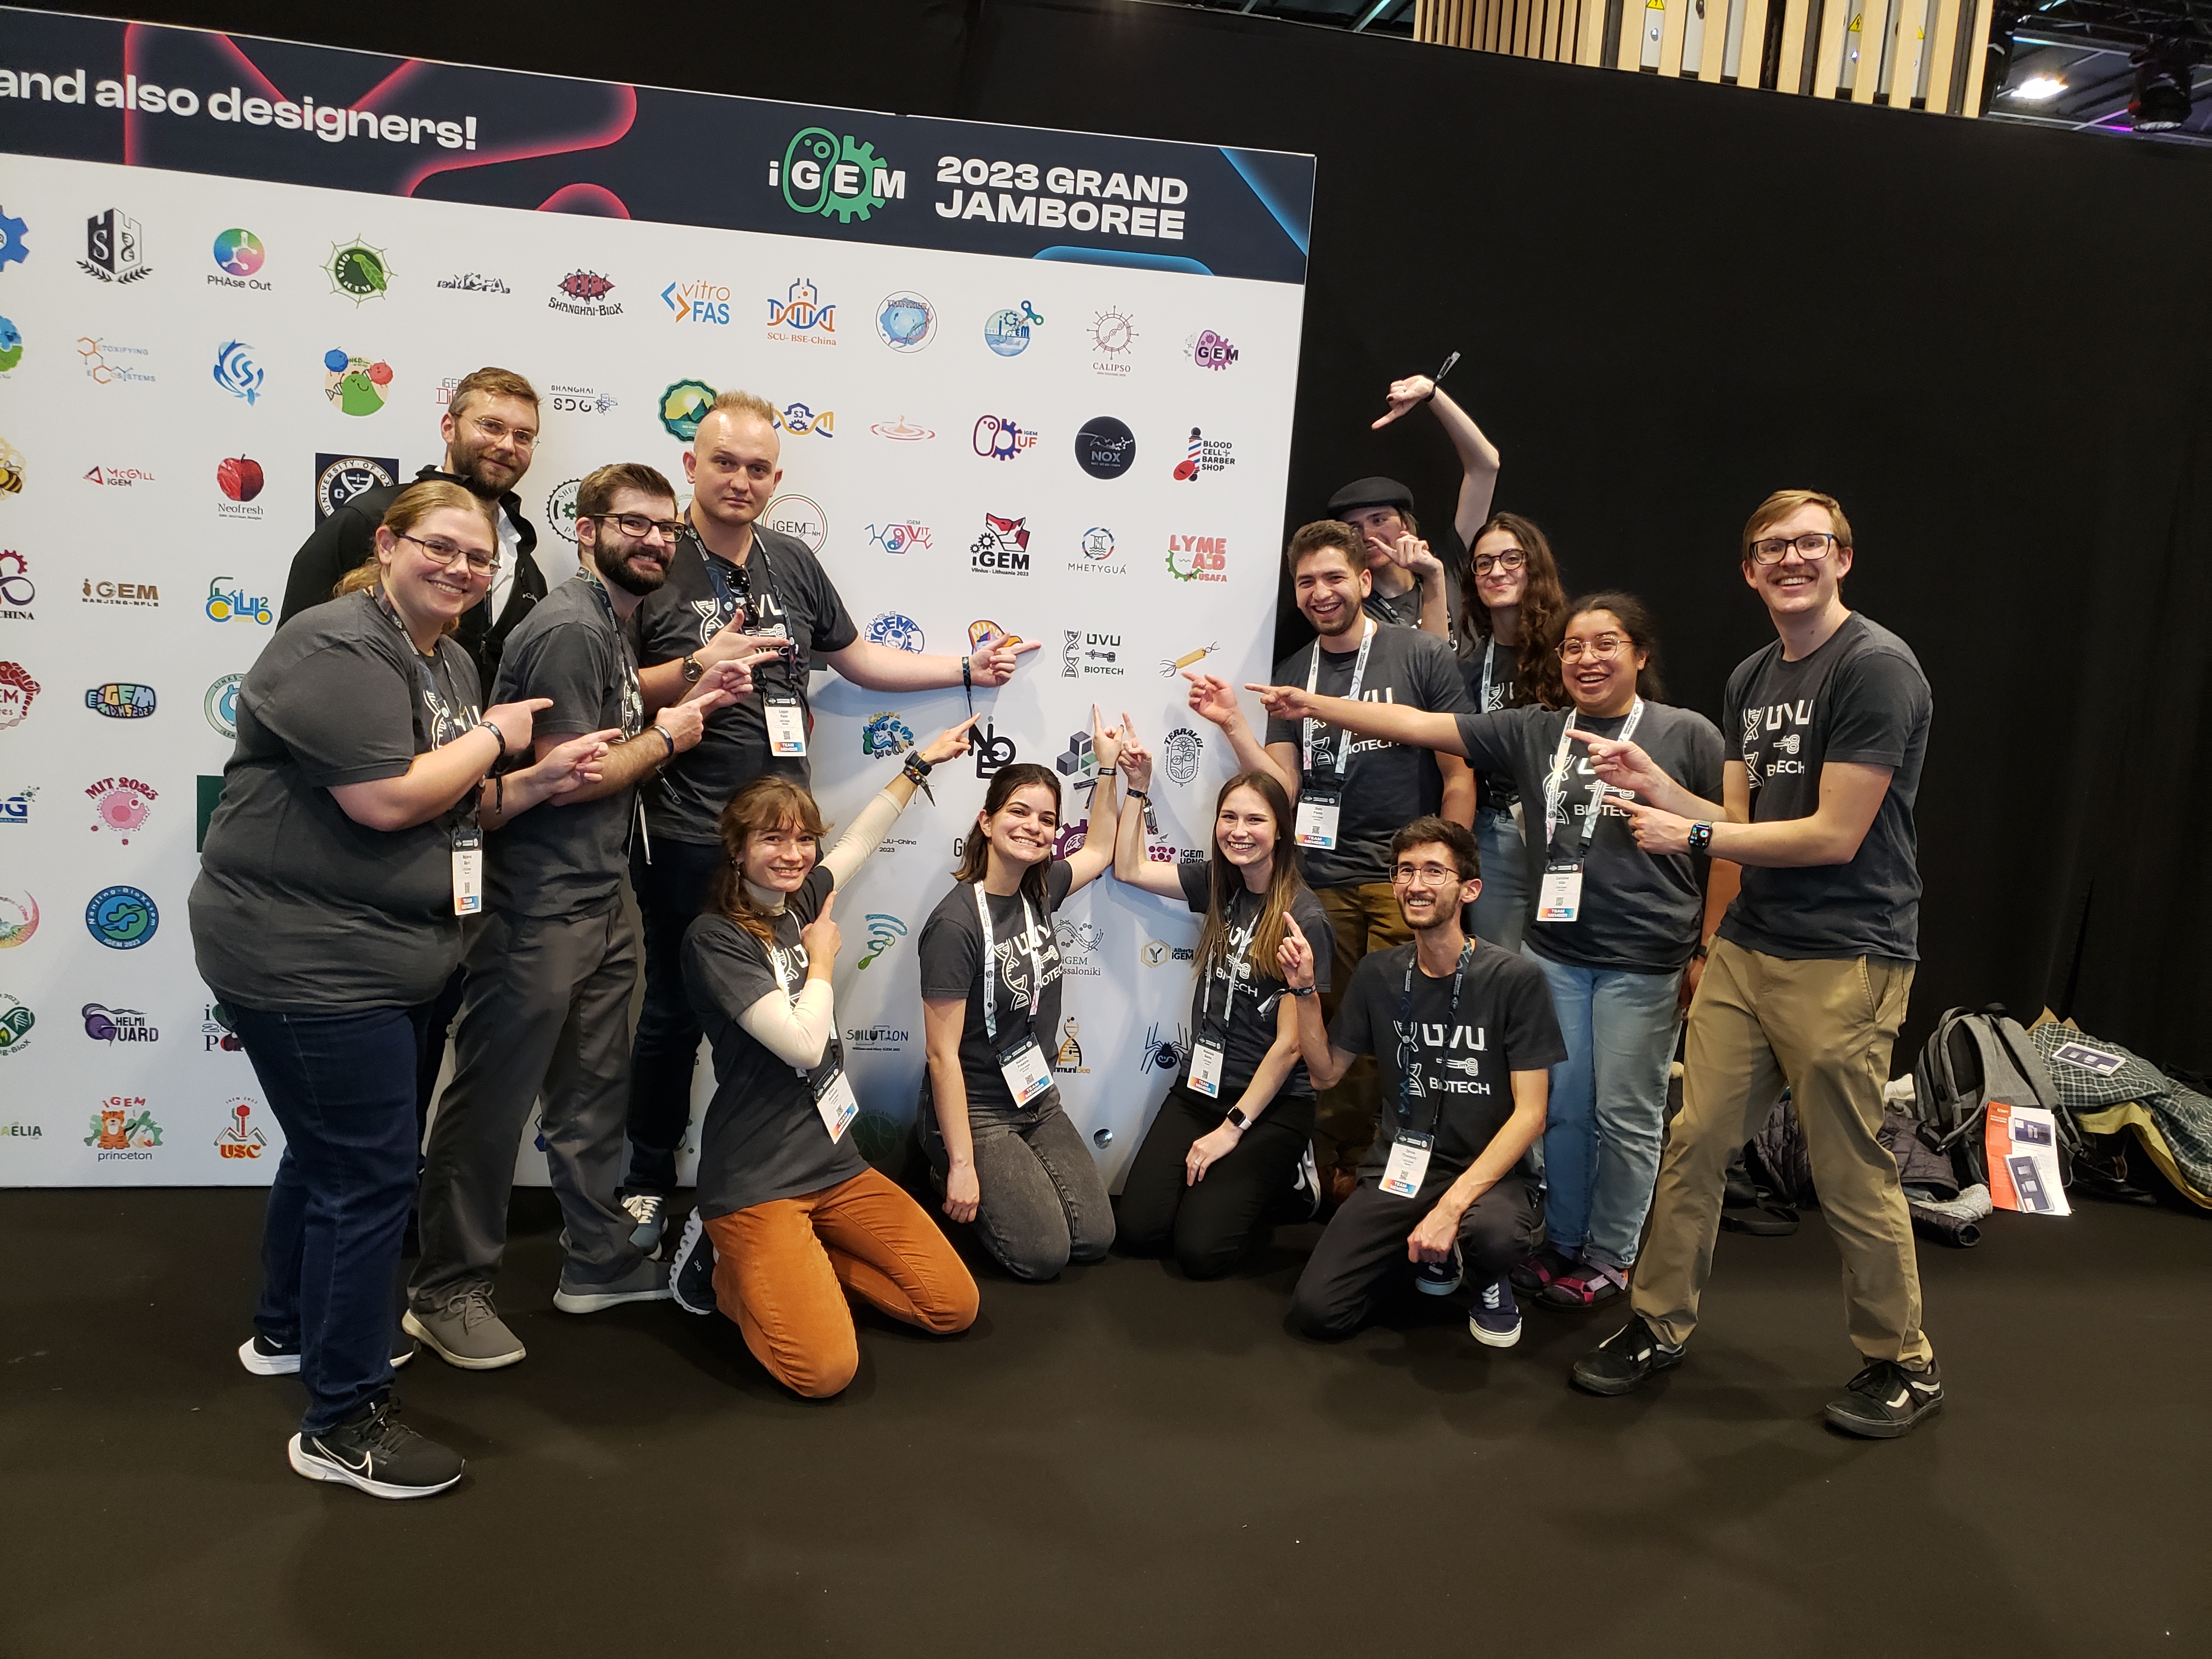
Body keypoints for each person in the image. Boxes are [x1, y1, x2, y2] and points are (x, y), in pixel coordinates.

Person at [193, 480, 605, 1498]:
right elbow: (385, 798)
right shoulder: (335, 644)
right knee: (368, 1179)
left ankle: (290, 1330)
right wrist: (503, 736)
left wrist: (536, 782)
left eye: (480, 556)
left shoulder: (450, 657)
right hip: (309, 958)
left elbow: (455, 801)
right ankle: (339, 1418)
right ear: (387, 543)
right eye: (442, 547)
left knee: (332, 1156)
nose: (464, 567)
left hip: (392, 953)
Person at [1563, 489, 1942, 1440]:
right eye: (1770, 547)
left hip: (1845, 953)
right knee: (1693, 1142)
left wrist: (1685, 827)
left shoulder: (1876, 668)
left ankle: (1903, 1359)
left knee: (1849, 1166)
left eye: (1809, 543)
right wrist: (1658, 785)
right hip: (1750, 948)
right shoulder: (1749, 676)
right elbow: (1741, 820)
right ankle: (1655, 1320)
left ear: (1842, 557)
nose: (1790, 560)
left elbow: (1831, 833)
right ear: (1748, 568)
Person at [620, 389, 1040, 1244]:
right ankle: (645, 1180)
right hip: (683, 835)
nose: (740, 480)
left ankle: (781, 1183)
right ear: (691, 467)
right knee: (669, 1016)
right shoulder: (654, 566)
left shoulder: (792, 562)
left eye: (757, 468)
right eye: (724, 463)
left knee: (785, 1016)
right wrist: (701, 668)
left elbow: (857, 660)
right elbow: (616, 689)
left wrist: (965, 664)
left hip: (780, 839)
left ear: (778, 476)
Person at [1250, 594, 1733, 1312]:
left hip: (1645, 955)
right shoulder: (1536, 730)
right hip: (1558, 950)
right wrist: (1318, 707)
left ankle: (1612, 1254)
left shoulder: (1686, 734)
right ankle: (1565, 1240)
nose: (1587, 659)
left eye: (1606, 645)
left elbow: (1730, 841)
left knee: (1626, 1114)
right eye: (1573, 646)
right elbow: (1418, 723)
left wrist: (1709, 944)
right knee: (1564, 1109)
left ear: (1640, 656)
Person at [406, 465, 767, 1369]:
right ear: (586, 527)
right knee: (490, 1102)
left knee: (590, 1091)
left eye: (663, 529)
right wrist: (673, 736)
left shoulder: (611, 618)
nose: (652, 540)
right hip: (538, 904)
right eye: (631, 524)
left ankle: (596, 1255)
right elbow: (575, 774)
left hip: (602, 896)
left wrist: (686, 690)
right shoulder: (570, 623)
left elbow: (606, 725)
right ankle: (446, 1288)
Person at [276, 365, 552, 1164]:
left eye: (523, 434)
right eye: (490, 425)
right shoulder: (369, 516)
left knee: (416, 1046)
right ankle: (371, 1208)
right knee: (348, 1116)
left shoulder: (522, 557)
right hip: (352, 840)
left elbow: (489, 700)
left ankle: (391, 1203)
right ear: (450, 425)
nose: (505, 444)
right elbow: (308, 658)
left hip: (451, 839)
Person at [664, 723, 983, 1397]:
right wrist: (825, 960)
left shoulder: (799, 901)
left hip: (834, 1163)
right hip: (758, 1176)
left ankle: (797, 1269)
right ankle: (723, 1264)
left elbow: (861, 840)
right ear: (737, 848)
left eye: (803, 838)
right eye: (773, 839)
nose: (794, 854)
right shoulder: (715, 938)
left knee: (953, 1307)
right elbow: (804, 1044)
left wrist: (919, 764)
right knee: (824, 1372)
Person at [1185, 520, 1475, 1206]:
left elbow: (1459, 771)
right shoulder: (1293, 673)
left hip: (1403, 882)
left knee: (1406, 1029)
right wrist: (1232, 725)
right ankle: (1336, 1169)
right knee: (1330, 1031)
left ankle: (1408, 1168)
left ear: (1365, 582)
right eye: (1307, 582)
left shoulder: (1420, 655)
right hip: (1321, 880)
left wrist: (1448, 871)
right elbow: (1283, 793)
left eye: (1334, 578)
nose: (1320, 593)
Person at [1276, 817, 1564, 1346]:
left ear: (1469, 888)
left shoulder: (1515, 980)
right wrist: (1304, 992)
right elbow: (1325, 1072)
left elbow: (1532, 1114)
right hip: (1402, 1164)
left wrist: (1451, 1207)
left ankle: (1484, 1273)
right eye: (1405, 871)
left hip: (1488, 1172)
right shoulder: (1378, 972)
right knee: (1319, 1312)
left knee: (1494, 1237)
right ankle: (1428, 1251)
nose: (1416, 884)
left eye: (1434, 871)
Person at [1109, 736, 1336, 1279]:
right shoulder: (1221, 886)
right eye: (1228, 817)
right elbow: (1130, 868)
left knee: (1200, 1253)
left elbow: (1289, 1046)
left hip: (1271, 1105)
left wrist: (1232, 1129)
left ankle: (1292, 1172)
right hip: (1199, 1088)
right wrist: (1138, 789)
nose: (1239, 830)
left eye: (1255, 820)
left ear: (1280, 830)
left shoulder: (1304, 916)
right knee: (1140, 1231)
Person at [917, 712, 1124, 1280]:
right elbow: (941, 1056)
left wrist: (1107, 770)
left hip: (1036, 1098)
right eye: (1018, 811)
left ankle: (1010, 1175)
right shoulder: (956, 923)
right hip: (977, 1109)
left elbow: (1102, 848)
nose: (1034, 827)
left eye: (1047, 819)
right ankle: (938, 1163)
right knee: (1043, 1256)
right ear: (986, 821)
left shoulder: (1041, 889)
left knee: (1096, 1238)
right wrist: (963, 1164)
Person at [1453, 512, 1571, 954]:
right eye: (1484, 563)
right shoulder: (1468, 665)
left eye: (1511, 558)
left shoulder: (1571, 649)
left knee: (1560, 965)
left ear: (1534, 566)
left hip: (1562, 827)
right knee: (1499, 965)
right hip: (1496, 830)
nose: (1497, 571)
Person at [1324, 370, 1502, 636]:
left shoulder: (1450, 566)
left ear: (1405, 525)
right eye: (1354, 528)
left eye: (1379, 520)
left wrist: (1432, 395)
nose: (1368, 535)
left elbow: (1485, 467)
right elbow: (1432, 668)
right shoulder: (1354, 612)